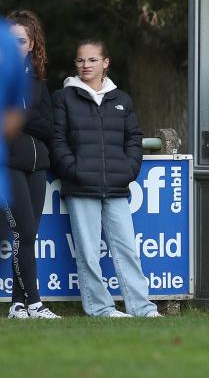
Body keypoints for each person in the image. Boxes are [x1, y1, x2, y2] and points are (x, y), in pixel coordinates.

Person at [50, 40, 160, 317]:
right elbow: (57, 141)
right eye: (80, 61)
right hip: (80, 187)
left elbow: (134, 138)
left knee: (127, 251)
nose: (85, 65)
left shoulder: (121, 99)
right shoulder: (63, 98)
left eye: (92, 60)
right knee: (88, 254)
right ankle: (100, 309)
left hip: (117, 187)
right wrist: (73, 170)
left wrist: (129, 169)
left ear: (105, 62)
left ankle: (142, 308)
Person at [4, 10, 58, 319]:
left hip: (38, 167)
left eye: (21, 41)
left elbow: (48, 127)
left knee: (28, 235)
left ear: (32, 44)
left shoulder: (38, 82)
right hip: (8, 166)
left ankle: (18, 305)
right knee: (23, 232)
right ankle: (33, 303)